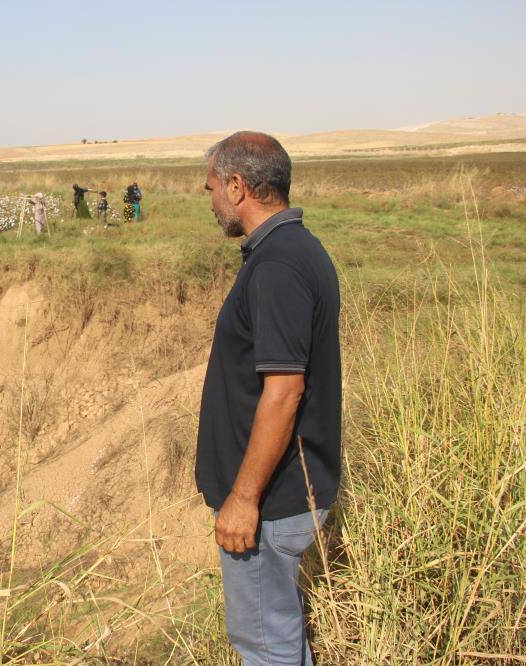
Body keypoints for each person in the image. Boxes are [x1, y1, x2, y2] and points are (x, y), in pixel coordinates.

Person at [195, 131, 341, 665]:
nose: (209, 200)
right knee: (277, 634)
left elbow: (284, 391)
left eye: (211, 187)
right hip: (282, 496)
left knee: (265, 645)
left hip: (270, 503)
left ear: (237, 186)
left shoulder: (278, 266)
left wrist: (244, 498)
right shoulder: (295, 249)